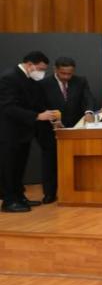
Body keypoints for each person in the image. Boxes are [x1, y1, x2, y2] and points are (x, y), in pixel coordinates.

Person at [0, 51, 58, 212]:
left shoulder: (29, 78)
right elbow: (8, 107)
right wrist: (37, 116)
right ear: (30, 64)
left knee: (19, 166)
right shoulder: (9, 77)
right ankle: (9, 201)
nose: (42, 73)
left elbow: (34, 102)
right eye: (40, 69)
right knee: (9, 166)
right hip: (9, 131)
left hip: (24, 131)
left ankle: (19, 196)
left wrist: (48, 113)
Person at [37, 56, 96, 204]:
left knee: (76, 162)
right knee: (50, 162)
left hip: (75, 128)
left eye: (69, 74)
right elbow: (39, 105)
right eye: (63, 73)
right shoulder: (43, 84)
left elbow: (88, 98)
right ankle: (49, 193)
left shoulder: (80, 81)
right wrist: (53, 120)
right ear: (55, 70)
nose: (66, 77)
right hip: (50, 129)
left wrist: (89, 112)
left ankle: (77, 192)